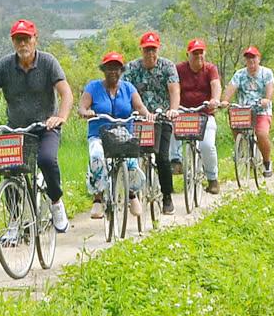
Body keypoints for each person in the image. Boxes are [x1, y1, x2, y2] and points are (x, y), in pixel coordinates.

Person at [0, 18, 74, 232]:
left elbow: (66, 93)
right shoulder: (4, 66)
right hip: (17, 129)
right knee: (8, 169)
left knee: (46, 160)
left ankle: (56, 202)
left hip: (45, 127)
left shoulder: (48, 62)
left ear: (35, 39)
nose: (22, 44)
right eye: (18, 39)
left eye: (26, 39)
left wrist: (60, 117)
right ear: (13, 42)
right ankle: (14, 221)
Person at [77, 52, 154, 218]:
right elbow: (82, 107)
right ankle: (98, 198)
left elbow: (139, 107)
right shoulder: (93, 87)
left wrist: (147, 115)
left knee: (131, 161)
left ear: (121, 71)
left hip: (123, 134)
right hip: (100, 134)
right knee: (96, 156)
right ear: (103, 70)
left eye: (117, 68)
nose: (113, 72)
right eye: (109, 68)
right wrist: (86, 112)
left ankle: (132, 194)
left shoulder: (128, 88)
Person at [123, 31, 180, 213]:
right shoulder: (131, 68)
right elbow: (124, 90)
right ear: (141, 50)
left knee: (162, 157)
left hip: (162, 118)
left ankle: (167, 196)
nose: (150, 54)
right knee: (132, 156)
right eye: (147, 50)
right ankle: (131, 194)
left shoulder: (167, 66)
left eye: (153, 50)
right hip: (139, 120)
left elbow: (174, 90)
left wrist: (173, 109)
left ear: (158, 50)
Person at [173, 38, 223, 193]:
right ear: (188, 54)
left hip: (204, 114)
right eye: (195, 53)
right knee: (170, 127)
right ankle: (176, 160)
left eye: (201, 53)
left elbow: (216, 85)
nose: (198, 56)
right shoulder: (179, 69)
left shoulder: (210, 69)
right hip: (184, 113)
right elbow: (174, 88)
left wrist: (215, 100)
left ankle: (212, 178)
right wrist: (173, 106)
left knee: (207, 145)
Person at [227, 45, 274, 175]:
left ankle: (267, 162)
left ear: (258, 59)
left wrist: (267, 99)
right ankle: (241, 149)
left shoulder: (266, 73)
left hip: (261, 110)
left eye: (253, 57)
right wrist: (225, 100)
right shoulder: (240, 74)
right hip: (244, 110)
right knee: (233, 120)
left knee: (261, 134)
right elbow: (231, 87)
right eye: (248, 58)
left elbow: (270, 87)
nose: (251, 61)